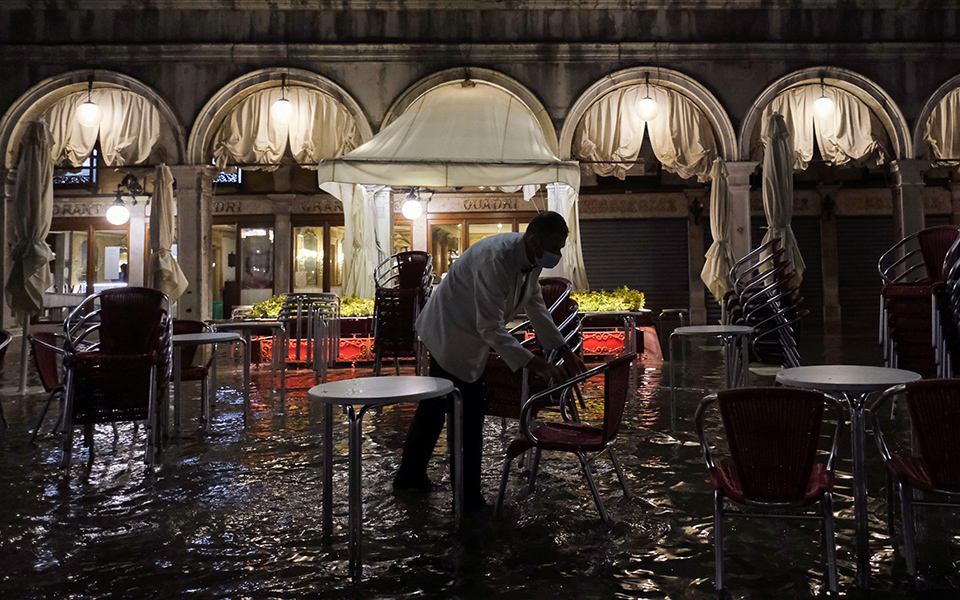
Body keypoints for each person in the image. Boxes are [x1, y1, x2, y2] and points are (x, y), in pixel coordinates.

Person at [393, 210, 586, 510]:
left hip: (466, 336)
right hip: (449, 332)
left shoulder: (531, 260)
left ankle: (410, 479)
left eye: (561, 247)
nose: (557, 254)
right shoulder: (494, 260)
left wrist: (560, 349)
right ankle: (467, 500)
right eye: (555, 246)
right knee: (468, 415)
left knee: (434, 409)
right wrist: (536, 363)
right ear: (535, 240)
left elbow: (535, 304)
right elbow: (490, 327)